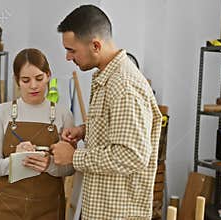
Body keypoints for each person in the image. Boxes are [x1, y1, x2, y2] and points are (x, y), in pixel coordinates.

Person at [50, 5, 162, 220]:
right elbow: (117, 129)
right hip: (100, 209)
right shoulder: (107, 78)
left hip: (117, 214)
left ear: (95, 45)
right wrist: (86, 130)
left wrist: (74, 157)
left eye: (71, 50)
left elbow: (131, 156)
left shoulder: (124, 85)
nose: (67, 57)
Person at [0, 48, 74, 220]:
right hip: (7, 207)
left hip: (48, 208)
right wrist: (15, 160)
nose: (33, 86)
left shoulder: (64, 114)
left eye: (39, 78)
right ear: (17, 81)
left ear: (48, 75)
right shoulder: (1, 112)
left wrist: (49, 165)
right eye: (25, 80)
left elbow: (70, 168)